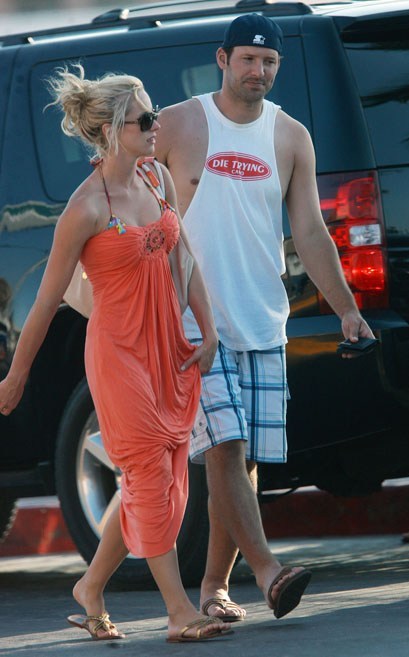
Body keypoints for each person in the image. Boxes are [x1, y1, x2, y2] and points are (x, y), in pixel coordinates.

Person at [0, 64, 234, 644]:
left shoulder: (157, 179)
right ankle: (178, 611)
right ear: (110, 131)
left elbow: (184, 258)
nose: (158, 127)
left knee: (164, 480)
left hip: (168, 348)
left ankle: (89, 588)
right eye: (145, 119)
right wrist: (16, 376)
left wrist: (207, 331)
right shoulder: (84, 209)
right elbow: (46, 301)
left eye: (155, 115)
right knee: (150, 478)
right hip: (118, 356)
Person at [154, 13, 376, 622]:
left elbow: (310, 231)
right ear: (222, 60)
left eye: (269, 61)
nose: (259, 70)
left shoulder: (290, 136)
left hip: (261, 317)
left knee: (242, 461)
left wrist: (347, 309)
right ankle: (269, 572)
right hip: (192, 320)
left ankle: (213, 588)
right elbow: (122, 187)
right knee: (226, 446)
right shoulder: (178, 123)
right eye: (248, 59)